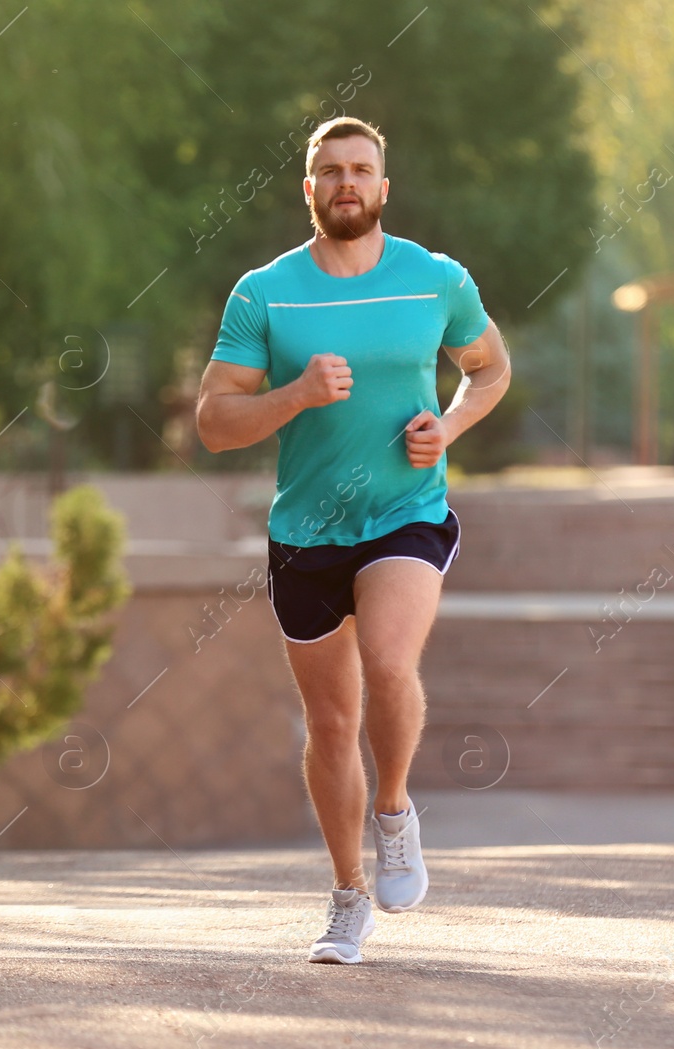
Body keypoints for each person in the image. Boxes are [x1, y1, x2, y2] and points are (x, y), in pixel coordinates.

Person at [195, 117, 511, 963]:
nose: (346, 182)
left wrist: (447, 429)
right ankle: (347, 896)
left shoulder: (435, 280)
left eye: (361, 170)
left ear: (383, 186)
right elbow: (214, 423)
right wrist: (294, 395)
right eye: (329, 171)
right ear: (308, 190)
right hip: (305, 532)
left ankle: (396, 811)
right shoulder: (264, 293)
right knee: (331, 723)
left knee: (388, 660)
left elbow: (491, 368)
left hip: (407, 509)